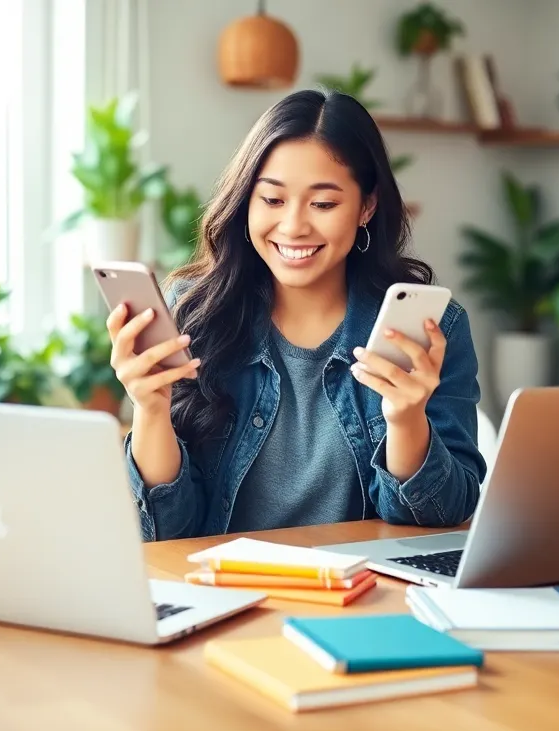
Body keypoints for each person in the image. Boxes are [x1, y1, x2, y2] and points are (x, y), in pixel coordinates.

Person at [105, 88, 487, 542]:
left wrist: (406, 421)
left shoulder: (430, 330)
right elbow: (167, 532)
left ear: (367, 206)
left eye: (323, 204)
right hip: (226, 591)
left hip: (358, 595)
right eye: (272, 200)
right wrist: (150, 410)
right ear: (246, 200)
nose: (293, 226)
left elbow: (442, 520)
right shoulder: (194, 314)